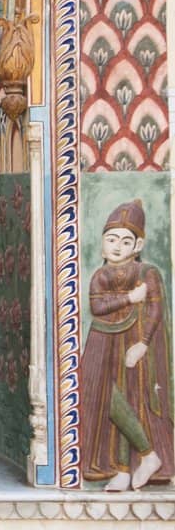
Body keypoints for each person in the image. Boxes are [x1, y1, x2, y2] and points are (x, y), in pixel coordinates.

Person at [79, 200, 173, 491]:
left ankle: (134, 464)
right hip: (102, 341)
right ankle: (133, 462)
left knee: (131, 399)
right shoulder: (100, 275)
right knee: (104, 398)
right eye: (111, 239)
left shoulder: (147, 273)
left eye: (125, 241)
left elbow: (156, 311)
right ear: (102, 243)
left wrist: (143, 344)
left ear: (138, 244)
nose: (117, 247)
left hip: (133, 340)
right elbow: (98, 306)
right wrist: (130, 299)